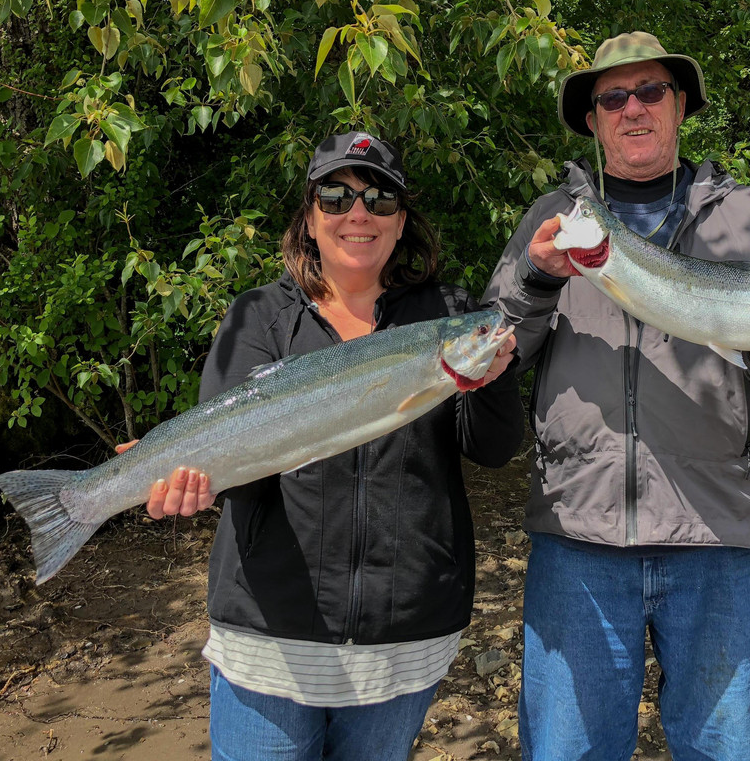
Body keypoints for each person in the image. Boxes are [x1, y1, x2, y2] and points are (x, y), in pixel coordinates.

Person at [482, 32, 750, 760]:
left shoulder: (745, 216)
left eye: (650, 92)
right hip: (579, 532)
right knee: (567, 752)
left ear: (681, 106)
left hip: (718, 530)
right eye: (613, 97)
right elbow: (493, 354)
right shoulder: (553, 218)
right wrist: (539, 278)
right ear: (592, 119)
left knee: (718, 750)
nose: (632, 108)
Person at [121, 131, 523, 761]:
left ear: (401, 221)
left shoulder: (446, 313)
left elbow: (494, 450)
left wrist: (497, 375)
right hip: (271, 635)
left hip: (405, 638)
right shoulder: (258, 317)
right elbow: (234, 457)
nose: (357, 213)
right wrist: (188, 479)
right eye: (335, 197)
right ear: (309, 218)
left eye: (378, 199)